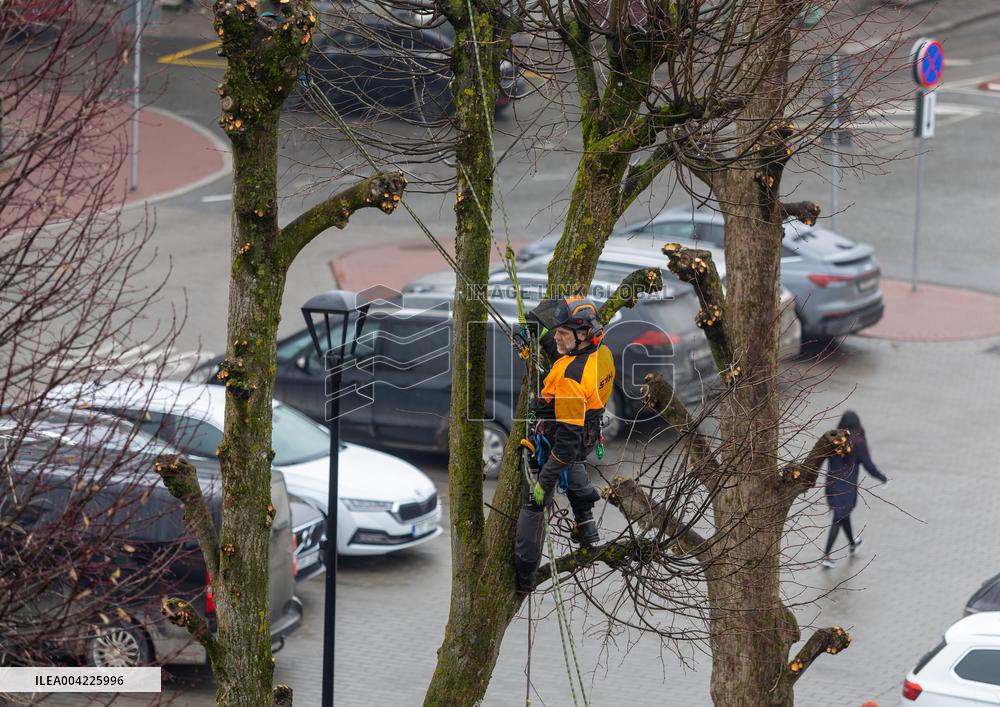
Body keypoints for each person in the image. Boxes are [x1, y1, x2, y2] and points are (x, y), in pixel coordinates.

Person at [513, 296, 615, 592]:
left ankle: (524, 577)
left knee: (534, 503)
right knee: (575, 465)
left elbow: (566, 448)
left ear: (582, 335)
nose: (556, 336)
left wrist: (544, 482)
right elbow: (564, 359)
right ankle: (587, 526)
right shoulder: (601, 353)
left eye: (562, 333)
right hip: (586, 430)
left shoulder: (572, 379)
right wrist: (537, 332)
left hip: (565, 436)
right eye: (555, 331)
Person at [821, 410, 888, 569]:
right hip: (846, 487)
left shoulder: (833, 438)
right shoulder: (858, 442)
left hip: (831, 485)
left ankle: (853, 543)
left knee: (844, 515)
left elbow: (819, 458)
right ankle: (826, 555)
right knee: (838, 518)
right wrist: (882, 477)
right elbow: (868, 465)